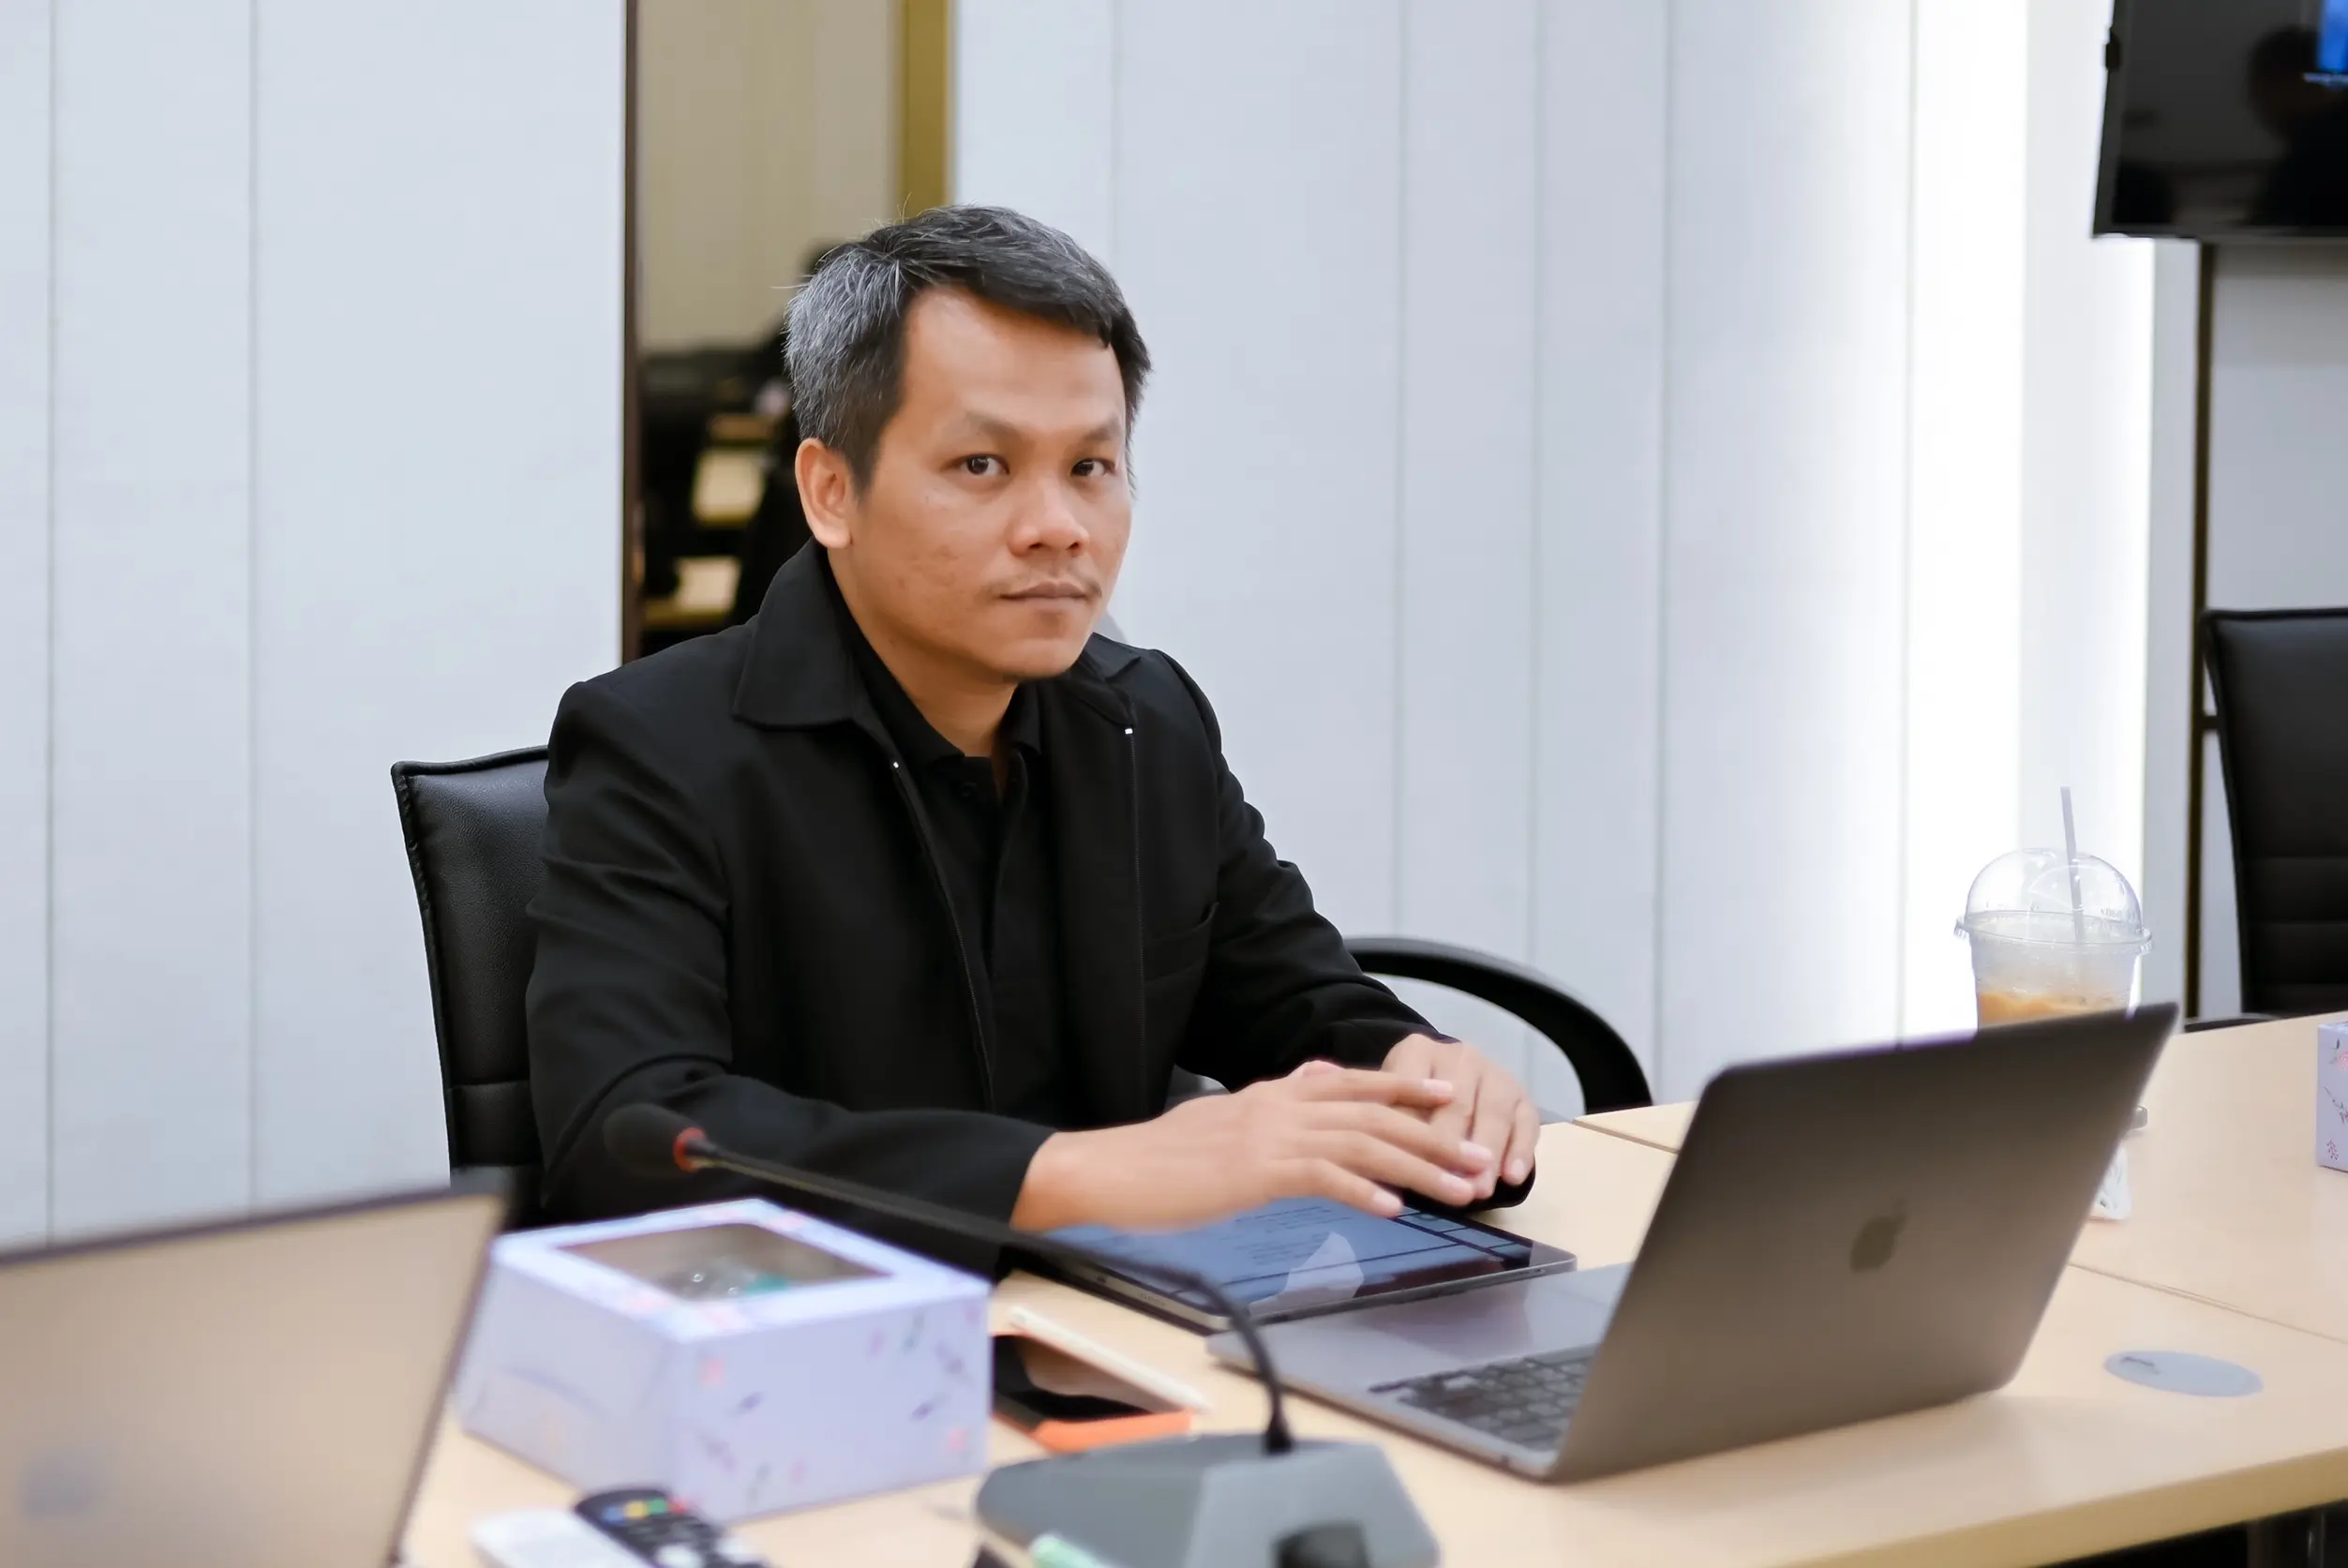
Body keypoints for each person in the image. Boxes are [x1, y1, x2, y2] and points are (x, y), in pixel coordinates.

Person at [527, 205, 1539, 1262]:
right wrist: (1078, 1174)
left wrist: (1423, 1078)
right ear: (831, 492)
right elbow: (630, 1140)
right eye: (982, 465)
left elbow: (1297, 1001)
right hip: (827, 1336)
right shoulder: (657, 747)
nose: (1057, 526)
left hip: (1130, 1329)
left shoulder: (1147, 722)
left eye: (1091, 467)